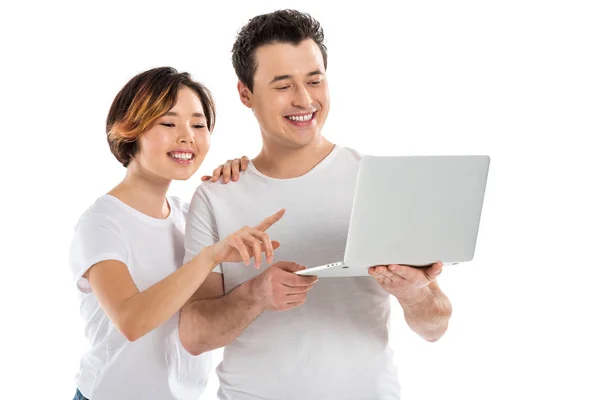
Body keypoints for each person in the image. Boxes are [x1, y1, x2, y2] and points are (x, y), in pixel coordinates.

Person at [180, 9, 453, 400]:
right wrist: (255, 295)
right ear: (245, 94)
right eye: (282, 85)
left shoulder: (375, 182)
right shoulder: (216, 196)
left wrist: (414, 293)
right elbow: (193, 335)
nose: (304, 100)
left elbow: (436, 326)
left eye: (314, 80)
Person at [68, 66, 282, 400]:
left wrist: (237, 188)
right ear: (130, 130)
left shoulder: (188, 214)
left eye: (198, 124)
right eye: (168, 124)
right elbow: (132, 320)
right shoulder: (101, 222)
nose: (188, 136)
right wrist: (208, 256)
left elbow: (222, 303)